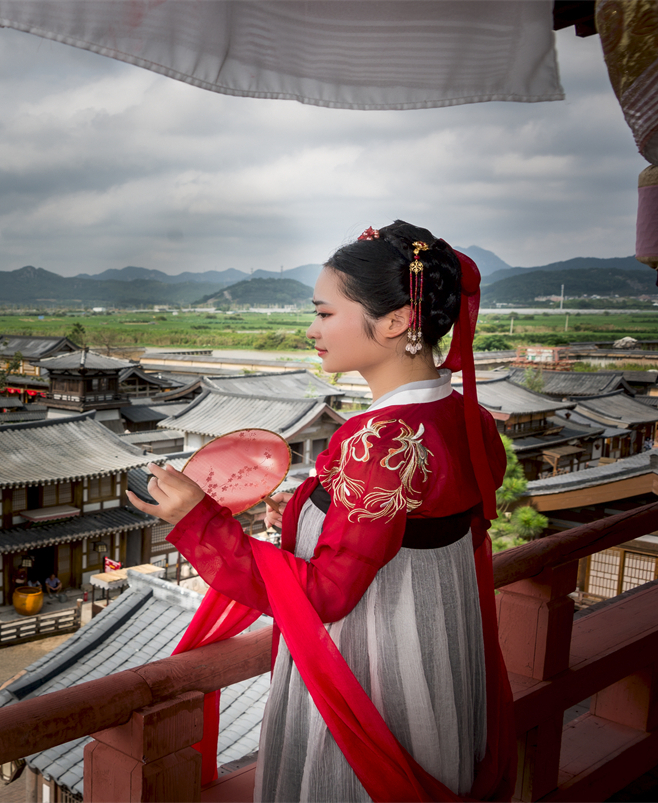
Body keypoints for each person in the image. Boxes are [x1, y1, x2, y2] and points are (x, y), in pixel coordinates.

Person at [128, 222, 513, 802]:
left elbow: (328, 595)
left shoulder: (380, 440)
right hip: (437, 660)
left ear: (397, 322)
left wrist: (197, 522)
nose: (312, 330)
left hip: (369, 672)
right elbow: (415, 527)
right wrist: (307, 513)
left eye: (325, 313)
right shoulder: (467, 418)